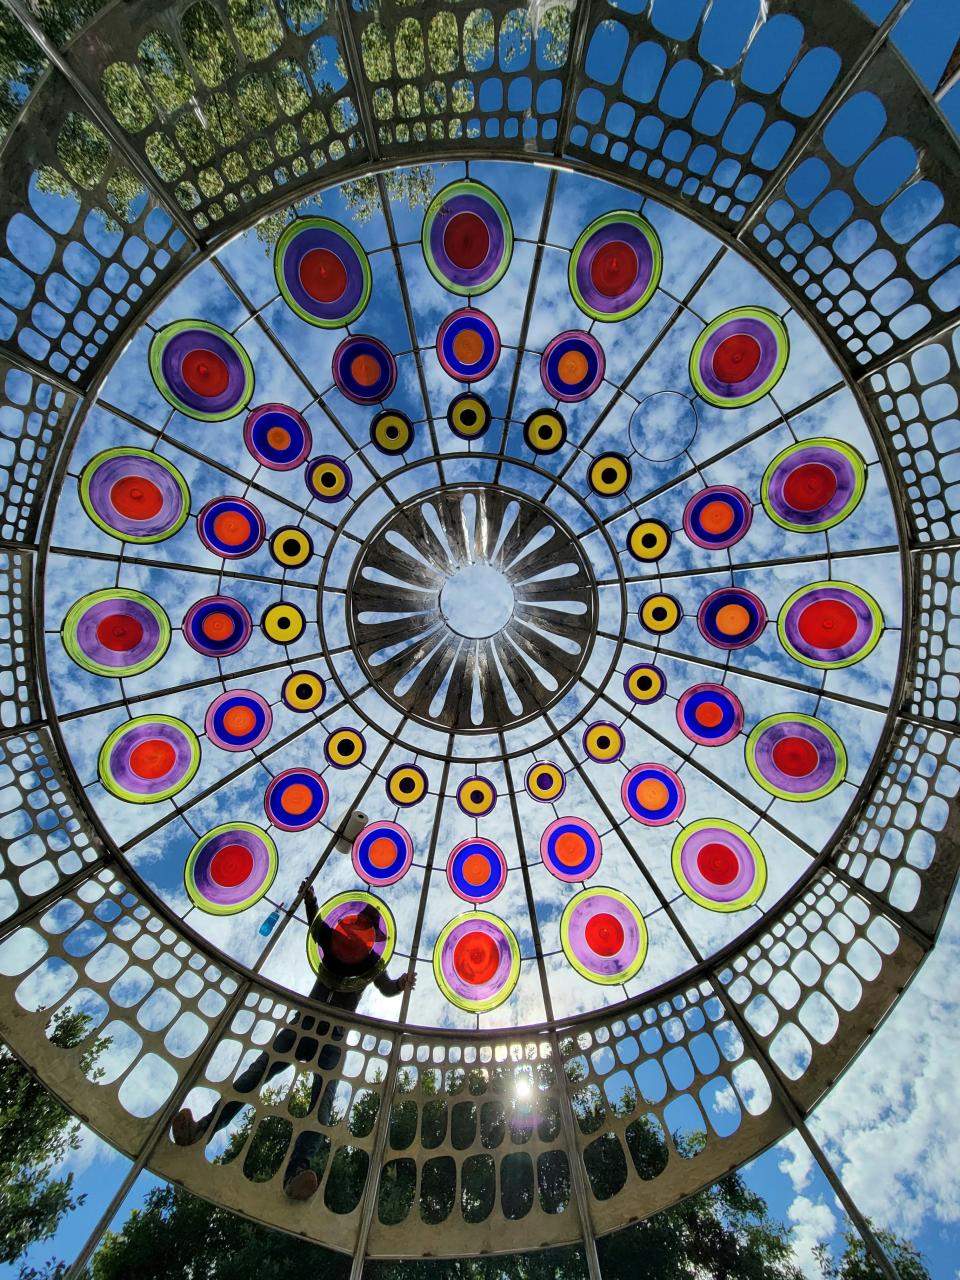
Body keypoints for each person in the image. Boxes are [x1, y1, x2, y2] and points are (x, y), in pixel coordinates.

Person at [171, 880, 415, 1201]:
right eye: (361, 922)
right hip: (304, 1025)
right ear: (354, 921)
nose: (362, 928)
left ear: (371, 933)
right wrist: (310, 900)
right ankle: (201, 1131)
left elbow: (385, 986)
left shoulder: (370, 961)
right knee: (254, 1076)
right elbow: (317, 927)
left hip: (331, 1035)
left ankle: (297, 1173)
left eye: (367, 926)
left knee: (320, 1104)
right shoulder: (335, 939)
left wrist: (400, 984)